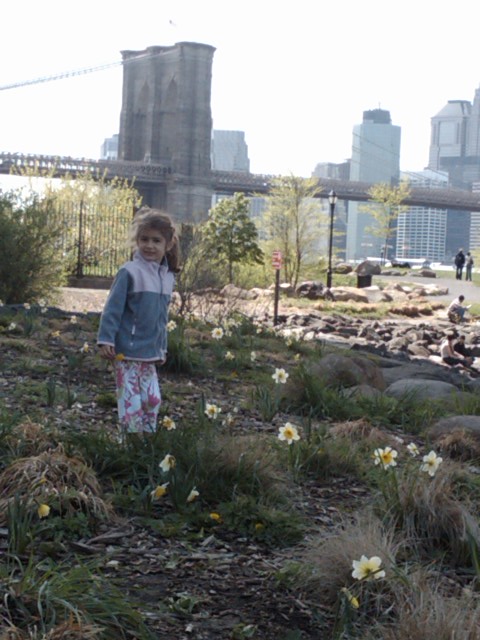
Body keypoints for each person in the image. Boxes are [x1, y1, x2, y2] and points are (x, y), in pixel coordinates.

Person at [97, 207, 180, 434]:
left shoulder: (167, 277)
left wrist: (162, 347)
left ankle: (148, 441)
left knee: (152, 400)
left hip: (150, 353)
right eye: (144, 239)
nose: (149, 245)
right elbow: (112, 309)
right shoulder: (129, 272)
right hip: (127, 352)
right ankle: (130, 444)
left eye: (156, 240)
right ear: (137, 241)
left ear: (168, 244)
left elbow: (161, 319)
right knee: (131, 404)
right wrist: (106, 339)